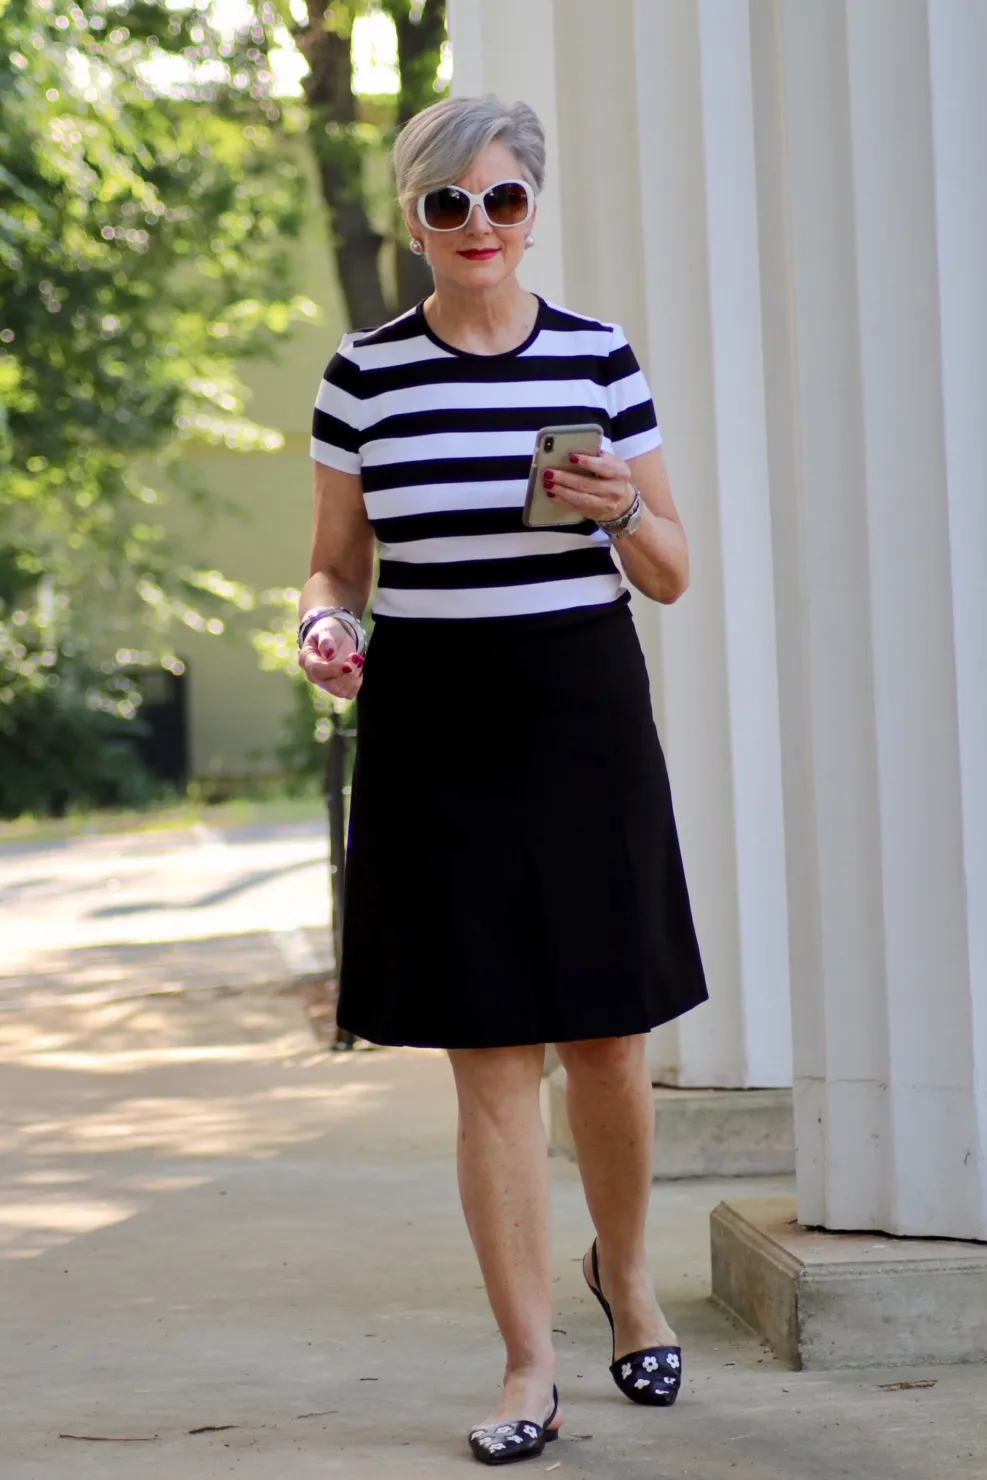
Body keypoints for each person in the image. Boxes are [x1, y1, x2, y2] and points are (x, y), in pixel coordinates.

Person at [297, 93, 707, 1467]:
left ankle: (630, 1287)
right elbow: (334, 566)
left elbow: (669, 570)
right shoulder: (363, 375)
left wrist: (623, 513)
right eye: (447, 202)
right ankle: (527, 1363)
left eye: (502, 199)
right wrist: (324, 625)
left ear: (534, 208)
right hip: (434, 721)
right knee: (489, 1055)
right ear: (413, 217)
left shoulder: (597, 357)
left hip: (579, 707)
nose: (477, 225)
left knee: (606, 1039)